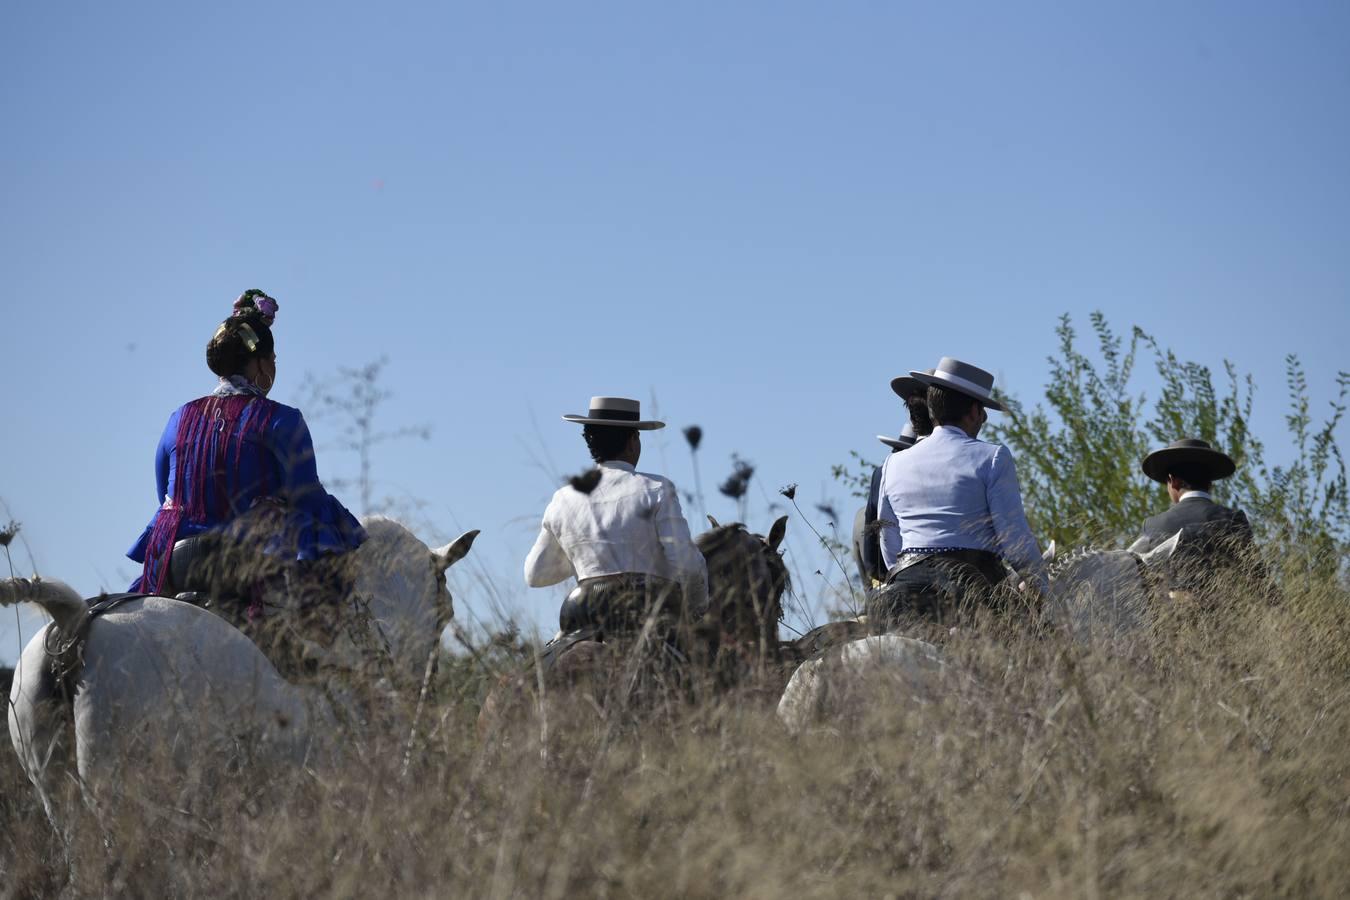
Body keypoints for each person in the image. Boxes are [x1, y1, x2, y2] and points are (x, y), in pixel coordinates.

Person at [127, 291, 367, 639]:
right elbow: (309, 499)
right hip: (241, 566)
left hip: (175, 564)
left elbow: (164, 493)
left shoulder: (178, 418)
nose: (273, 368)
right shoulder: (282, 420)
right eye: (273, 359)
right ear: (259, 363)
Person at [873, 358, 1045, 629]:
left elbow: (889, 540)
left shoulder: (893, 463)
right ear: (976, 411)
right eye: (983, 411)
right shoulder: (993, 457)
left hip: (905, 592)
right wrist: (1042, 588)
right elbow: (1014, 539)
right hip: (974, 591)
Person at [524, 396, 708, 639]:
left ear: (590, 442)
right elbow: (687, 566)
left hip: (580, 612)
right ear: (633, 441)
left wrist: (588, 557)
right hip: (646, 613)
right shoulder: (657, 488)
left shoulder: (562, 498)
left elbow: (535, 575)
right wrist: (696, 609)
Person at [1128, 438, 1258, 595]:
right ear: (1210, 484)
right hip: (1226, 615)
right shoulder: (1232, 518)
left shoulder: (1152, 525)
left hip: (1171, 617)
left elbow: (1136, 579)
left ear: (1173, 481)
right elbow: (1257, 576)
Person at [855, 370, 938, 585]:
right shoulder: (976, 461)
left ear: (912, 416)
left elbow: (873, 560)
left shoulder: (883, 472)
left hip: (899, 583)